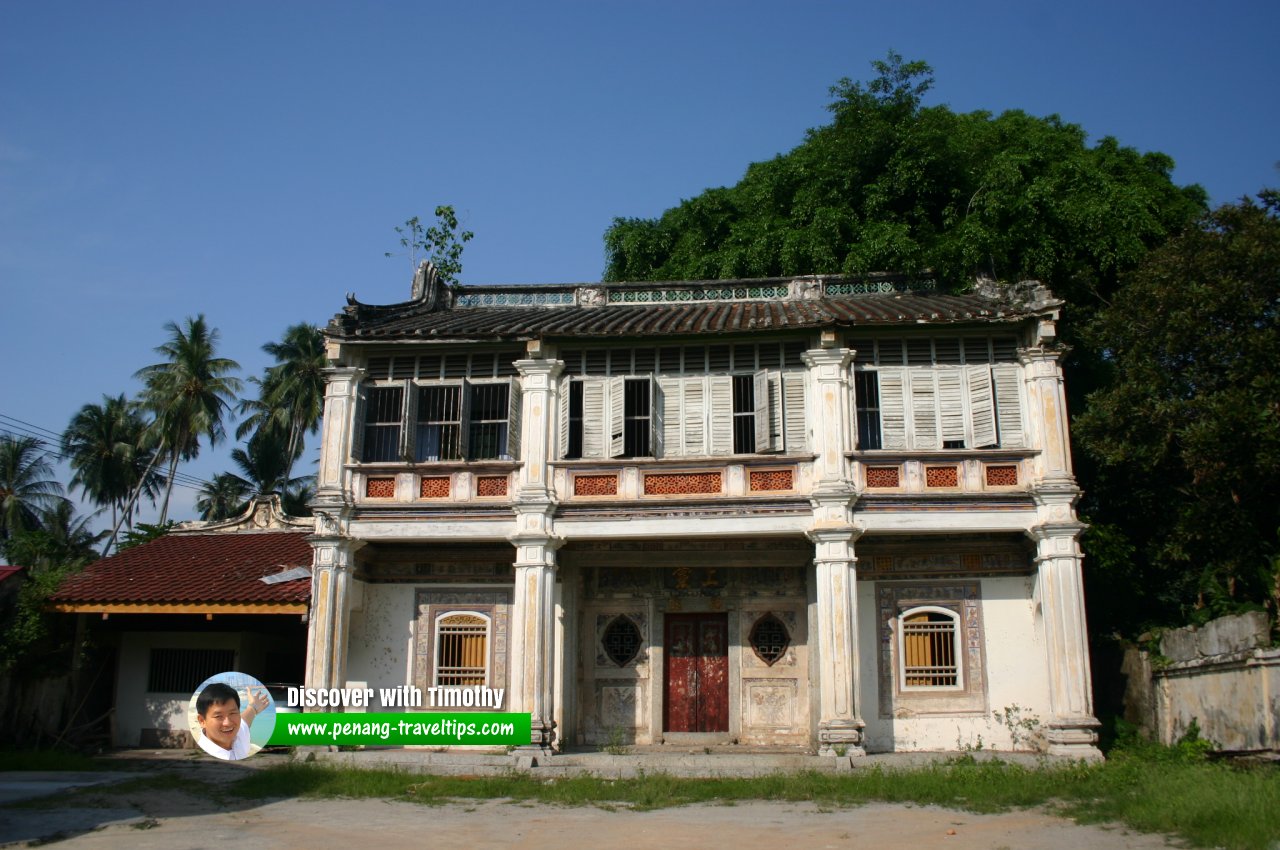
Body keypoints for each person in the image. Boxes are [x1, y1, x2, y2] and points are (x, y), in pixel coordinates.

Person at [194, 681, 270, 760]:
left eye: (232, 713)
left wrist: (253, 707)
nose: (228, 723)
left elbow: (245, 720)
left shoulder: (238, 735)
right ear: (202, 721)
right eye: (218, 716)